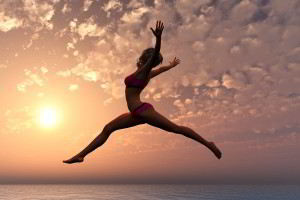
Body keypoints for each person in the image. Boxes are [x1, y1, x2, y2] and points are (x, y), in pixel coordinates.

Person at [63, 20, 222, 164]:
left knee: (176, 128)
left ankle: (209, 144)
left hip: (142, 110)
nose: (152, 64)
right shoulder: (148, 73)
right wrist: (171, 66)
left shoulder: (144, 71)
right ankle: (81, 155)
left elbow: (154, 59)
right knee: (108, 128)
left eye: (152, 62)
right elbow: (161, 69)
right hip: (136, 113)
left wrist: (158, 38)